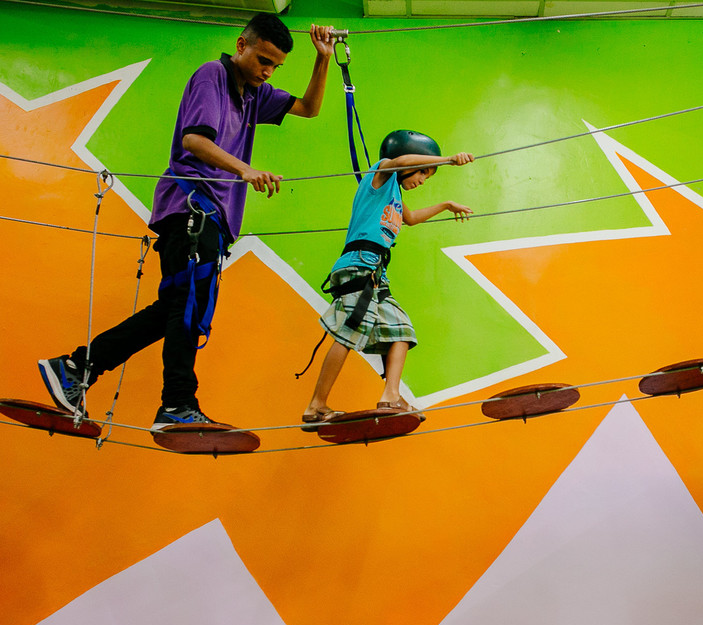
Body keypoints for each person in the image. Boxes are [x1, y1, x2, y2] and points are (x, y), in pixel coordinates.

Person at [38, 13, 335, 430]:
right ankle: (177, 404)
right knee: (187, 308)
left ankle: (75, 369)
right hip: (193, 209)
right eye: (262, 59)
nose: (267, 71)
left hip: (208, 216)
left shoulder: (254, 93)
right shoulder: (213, 75)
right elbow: (193, 140)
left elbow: (309, 108)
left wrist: (322, 58)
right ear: (241, 46)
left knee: (176, 310)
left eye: (275, 66)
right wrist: (245, 171)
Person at [301, 130, 473, 427]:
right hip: (357, 267)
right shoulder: (379, 178)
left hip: (376, 274)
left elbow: (412, 218)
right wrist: (446, 160)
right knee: (350, 330)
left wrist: (445, 205)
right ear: (406, 162)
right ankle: (316, 405)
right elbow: (396, 161)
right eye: (423, 172)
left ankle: (390, 396)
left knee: (401, 331)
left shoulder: (394, 194)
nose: (422, 181)